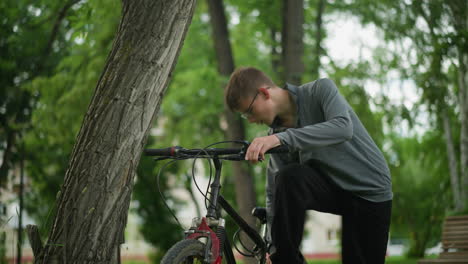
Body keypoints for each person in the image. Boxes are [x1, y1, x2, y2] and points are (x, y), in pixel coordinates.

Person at [224, 67, 393, 264]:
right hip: (334, 190)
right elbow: (274, 192)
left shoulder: (320, 90)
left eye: (249, 112)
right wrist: (272, 246)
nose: (251, 121)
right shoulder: (277, 134)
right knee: (289, 177)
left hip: (369, 192)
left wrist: (281, 138)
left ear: (264, 92)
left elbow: (343, 128)